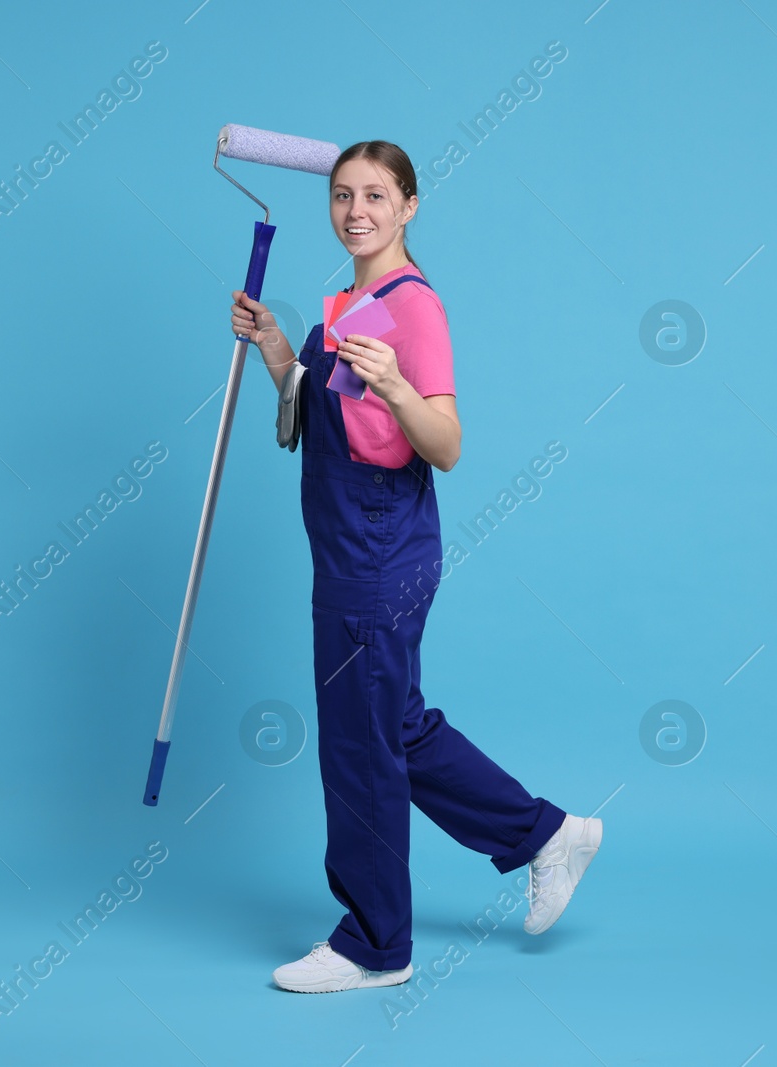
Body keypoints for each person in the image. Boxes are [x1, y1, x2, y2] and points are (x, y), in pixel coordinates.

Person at [230, 140, 603, 994]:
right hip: (345, 546)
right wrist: (279, 350)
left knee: (360, 744)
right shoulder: (345, 303)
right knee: (391, 725)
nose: (355, 210)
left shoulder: (411, 307)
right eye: (341, 195)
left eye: (375, 195)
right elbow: (314, 423)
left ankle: (375, 943)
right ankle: (548, 835)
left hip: (378, 549)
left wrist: (398, 386)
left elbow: (447, 444)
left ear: (408, 206)